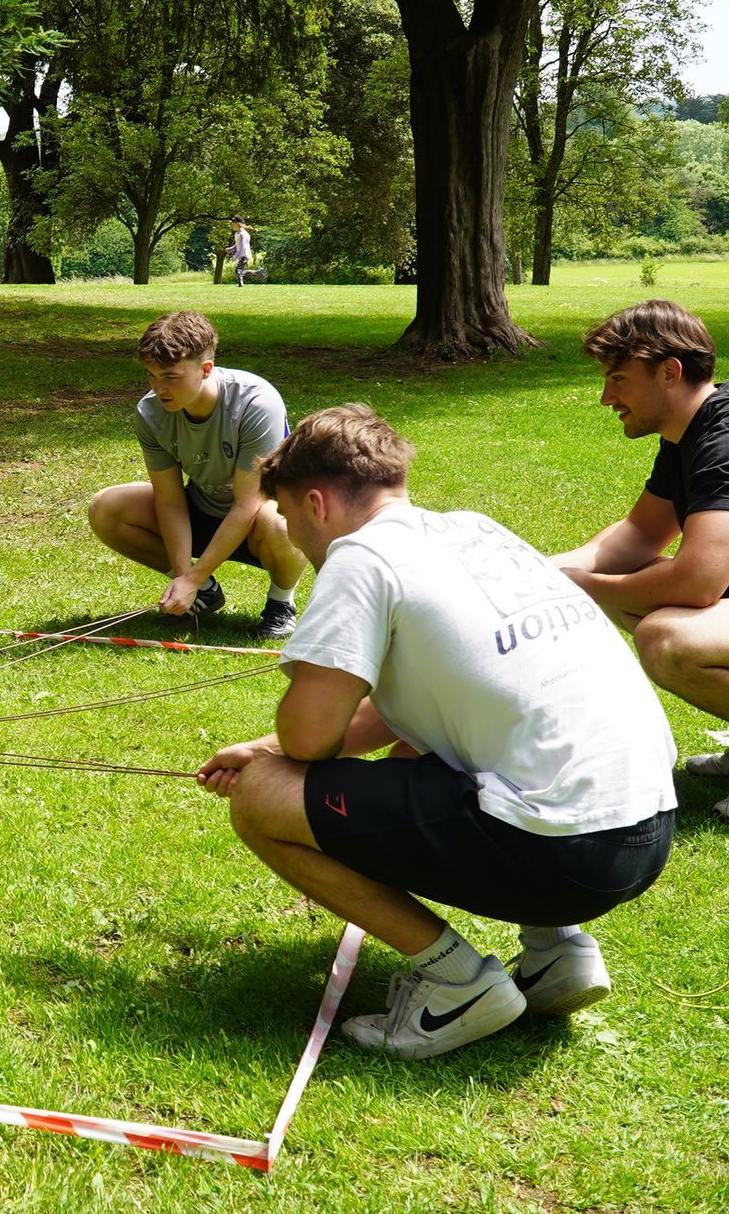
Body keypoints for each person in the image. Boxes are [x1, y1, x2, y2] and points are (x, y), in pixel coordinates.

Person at [199, 405, 676, 1060]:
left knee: (260, 798)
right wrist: (266, 748)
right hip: (647, 828)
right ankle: (555, 950)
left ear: (316, 501)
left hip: (566, 849)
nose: (291, 534)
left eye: (286, 515)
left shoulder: (359, 557)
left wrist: (272, 757)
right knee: (436, 744)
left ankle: (459, 984)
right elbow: (431, 703)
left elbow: (310, 738)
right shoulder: (474, 531)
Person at [553, 300, 729, 827]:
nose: (606, 397)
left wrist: (583, 586)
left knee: (670, 638)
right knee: (637, 585)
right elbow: (639, 536)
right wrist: (539, 571)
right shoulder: (693, 429)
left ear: (670, 371)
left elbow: (699, 582)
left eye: (617, 378)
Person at [88, 311, 306, 638]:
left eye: (171, 377)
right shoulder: (150, 413)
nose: (158, 389)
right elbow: (170, 500)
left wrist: (189, 577)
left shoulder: (256, 402)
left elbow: (249, 504)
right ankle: (204, 592)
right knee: (106, 508)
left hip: (261, 522)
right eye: (151, 376)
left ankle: (280, 604)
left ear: (205, 369)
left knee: (282, 523)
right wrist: (187, 576)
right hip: (203, 511)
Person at [230, 218, 256, 287]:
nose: (231, 226)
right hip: (241, 254)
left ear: (237, 224)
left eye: (232, 224)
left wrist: (236, 255)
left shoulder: (243, 234)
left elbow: (243, 246)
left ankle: (259, 272)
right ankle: (241, 283)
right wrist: (231, 248)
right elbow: (237, 244)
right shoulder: (237, 233)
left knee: (238, 270)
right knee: (239, 270)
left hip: (244, 254)